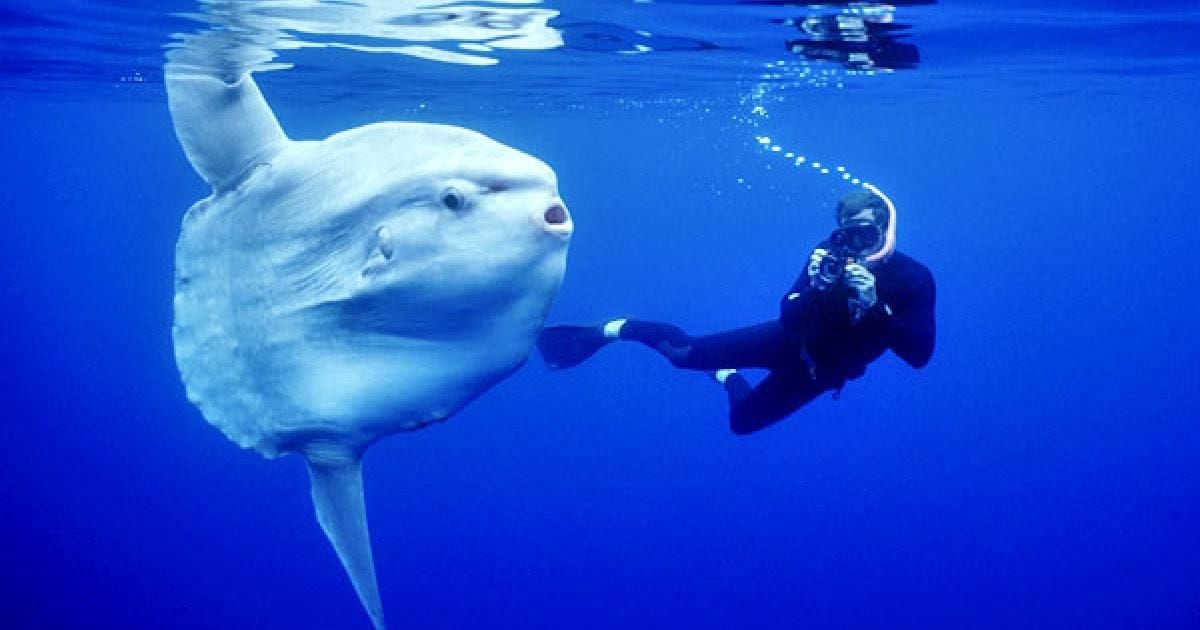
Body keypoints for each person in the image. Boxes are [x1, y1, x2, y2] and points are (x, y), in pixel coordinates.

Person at [537, 187, 935, 435]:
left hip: (820, 373)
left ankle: (727, 378)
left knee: (741, 424)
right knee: (682, 355)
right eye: (849, 233)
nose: (858, 243)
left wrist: (876, 310)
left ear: (885, 230)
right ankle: (606, 331)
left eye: (867, 233)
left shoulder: (914, 279)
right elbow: (789, 316)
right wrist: (816, 288)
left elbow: (920, 356)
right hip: (787, 340)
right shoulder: (827, 256)